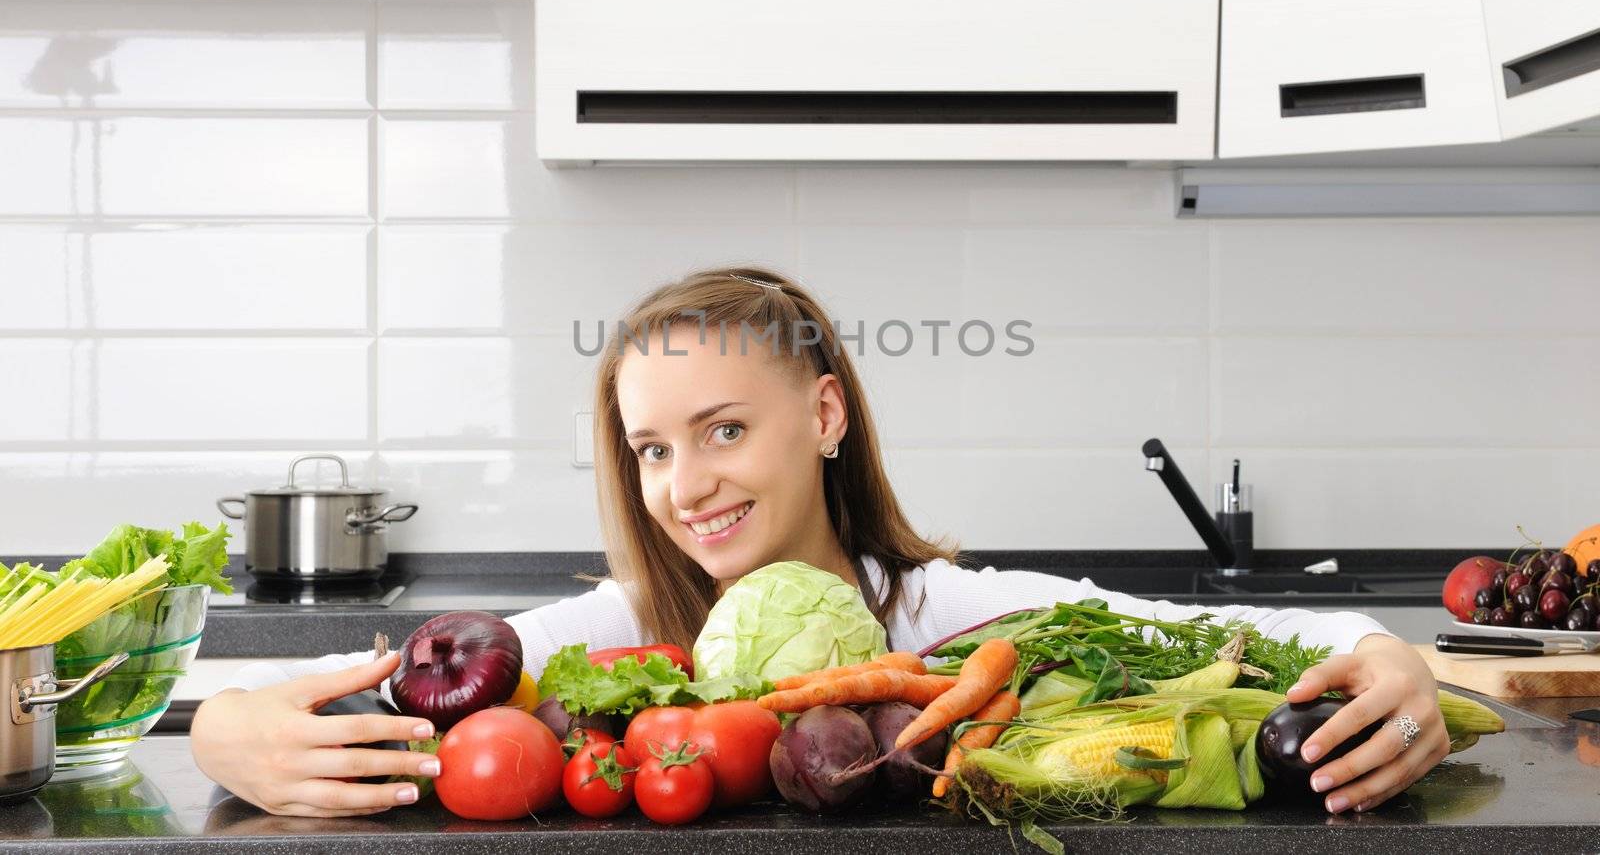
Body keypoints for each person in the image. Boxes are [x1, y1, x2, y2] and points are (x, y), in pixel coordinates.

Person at [191, 266, 1448, 818]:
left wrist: (1384, 655)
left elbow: (1248, 636)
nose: (688, 484)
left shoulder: (948, 617)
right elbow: (386, 700)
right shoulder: (623, 634)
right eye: (655, 448)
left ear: (826, 414)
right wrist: (222, 730)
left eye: (724, 427)